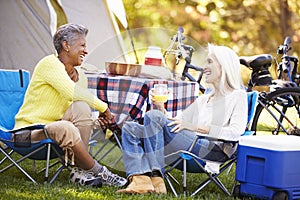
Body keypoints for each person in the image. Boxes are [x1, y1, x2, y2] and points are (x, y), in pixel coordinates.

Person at [117, 44, 248, 194]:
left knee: (153, 116)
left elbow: (235, 133)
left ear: (224, 66)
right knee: (131, 128)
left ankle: (157, 179)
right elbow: (176, 121)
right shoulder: (205, 98)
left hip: (212, 148)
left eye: (210, 62)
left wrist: (193, 127)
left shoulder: (237, 96)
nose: (204, 67)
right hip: (191, 142)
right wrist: (159, 106)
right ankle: (140, 181)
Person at [14, 23, 127, 187]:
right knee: (66, 126)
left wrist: (93, 122)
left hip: (54, 130)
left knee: (81, 106)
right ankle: (101, 172)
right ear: (66, 45)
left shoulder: (80, 76)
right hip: (26, 134)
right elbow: (70, 92)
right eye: (82, 45)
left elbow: (75, 112)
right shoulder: (49, 63)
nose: (86, 51)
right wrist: (105, 108)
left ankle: (78, 171)